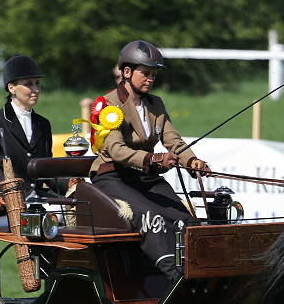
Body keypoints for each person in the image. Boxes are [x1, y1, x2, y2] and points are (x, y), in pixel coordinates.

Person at [88, 40, 210, 281]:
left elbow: (173, 140)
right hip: (113, 177)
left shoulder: (156, 104)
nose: (150, 79)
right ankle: (174, 277)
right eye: (145, 73)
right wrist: (154, 159)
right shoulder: (109, 105)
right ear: (126, 72)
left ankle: (196, 272)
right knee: (151, 216)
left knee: (185, 219)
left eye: (153, 75)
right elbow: (115, 149)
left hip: (145, 177)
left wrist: (192, 161)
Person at [0, 54, 66, 225]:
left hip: (36, 203)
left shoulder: (43, 124)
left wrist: (72, 186)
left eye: (37, 83)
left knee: (75, 216)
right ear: (11, 88)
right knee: (47, 223)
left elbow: (45, 172)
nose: (36, 89)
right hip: (3, 206)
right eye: (28, 84)